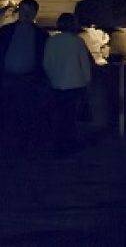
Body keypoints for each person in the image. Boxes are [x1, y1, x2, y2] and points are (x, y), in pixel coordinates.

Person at [0, 0, 49, 153]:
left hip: (29, 79)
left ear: (35, 13)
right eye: (23, 10)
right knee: (7, 113)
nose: (26, 14)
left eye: (29, 11)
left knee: (26, 114)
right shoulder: (5, 31)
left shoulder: (41, 35)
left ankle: (24, 145)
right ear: (19, 11)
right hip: (7, 78)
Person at [42, 13, 93, 156]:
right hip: (75, 83)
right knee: (71, 117)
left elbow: (46, 63)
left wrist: (52, 78)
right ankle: (70, 144)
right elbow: (84, 64)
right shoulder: (77, 41)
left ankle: (59, 144)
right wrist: (87, 81)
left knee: (59, 115)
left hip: (57, 84)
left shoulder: (51, 41)